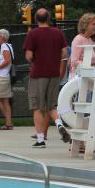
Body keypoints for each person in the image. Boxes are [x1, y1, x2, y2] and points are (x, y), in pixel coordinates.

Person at [23, 8, 68, 148]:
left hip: (38, 74)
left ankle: (40, 139)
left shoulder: (33, 34)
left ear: (36, 19)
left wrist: (34, 60)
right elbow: (64, 53)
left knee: (37, 107)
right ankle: (59, 124)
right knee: (51, 106)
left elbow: (29, 56)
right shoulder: (58, 33)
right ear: (49, 18)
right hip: (54, 74)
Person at [69, 13, 95, 78]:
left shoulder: (89, 39)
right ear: (85, 26)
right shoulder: (78, 39)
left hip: (88, 76)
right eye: (93, 24)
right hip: (78, 78)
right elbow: (74, 62)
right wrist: (91, 66)